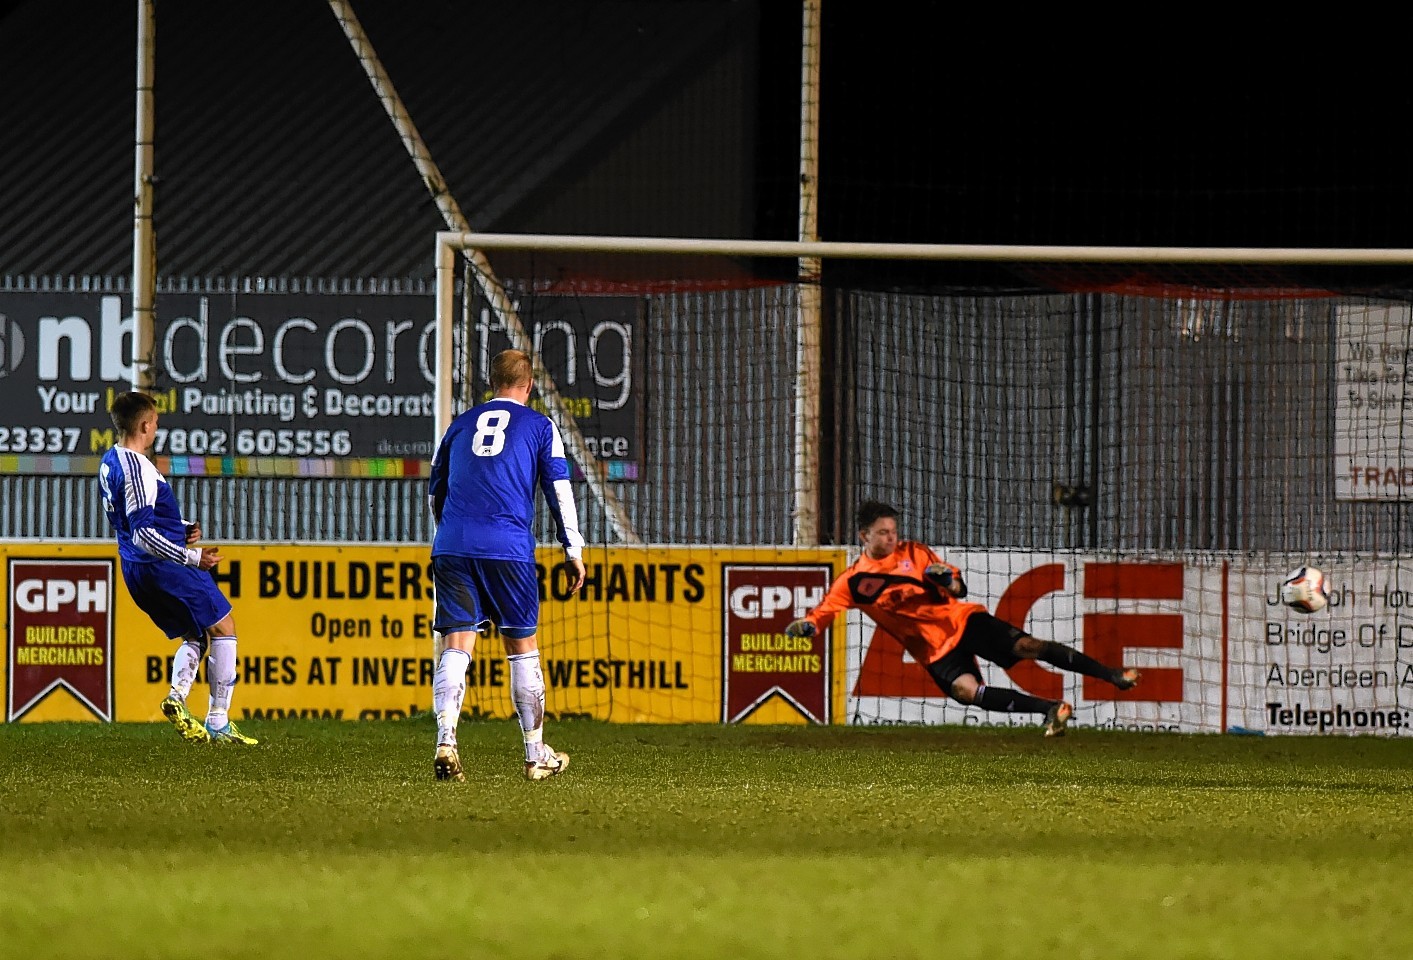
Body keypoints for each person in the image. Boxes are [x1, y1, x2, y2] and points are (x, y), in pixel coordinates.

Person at [786, 499, 1140, 736]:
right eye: (883, 532)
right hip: (933, 649)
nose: (892, 537)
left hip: (961, 620)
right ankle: (1051, 709)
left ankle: (1112, 674)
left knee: (1027, 645)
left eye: (893, 530)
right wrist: (808, 626)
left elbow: (958, 588)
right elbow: (824, 612)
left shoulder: (914, 552)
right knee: (964, 692)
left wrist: (948, 581)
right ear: (864, 536)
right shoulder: (854, 581)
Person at [428, 348, 587, 782]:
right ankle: (535, 756)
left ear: (492, 383)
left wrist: (448, 537)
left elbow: (435, 490)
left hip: (453, 544)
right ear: (529, 384)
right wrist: (573, 550)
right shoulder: (539, 426)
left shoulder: (458, 425)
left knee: (456, 643)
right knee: (522, 647)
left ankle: (446, 739)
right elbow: (560, 489)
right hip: (508, 548)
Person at [98, 391, 257, 745]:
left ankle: (177, 699)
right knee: (224, 626)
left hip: (136, 570)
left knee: (197, 635)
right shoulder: (138, 467)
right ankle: (219, 720)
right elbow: (142, 533)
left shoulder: (111, 460)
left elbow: (133, 518)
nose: (156, 429)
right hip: (161, 565)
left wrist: (181, 528)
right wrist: (193, 557)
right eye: (154, 423)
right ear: (144, 424)